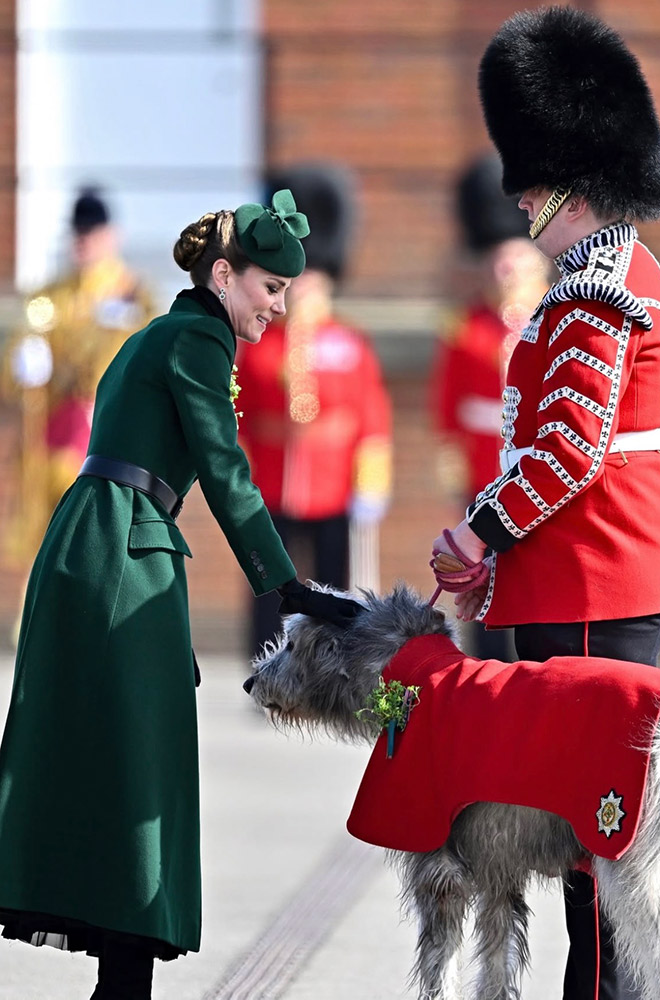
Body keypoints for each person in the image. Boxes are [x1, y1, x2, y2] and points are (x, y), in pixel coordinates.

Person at [0, 189, 362, 1000]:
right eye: (269, 289)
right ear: (225, 276)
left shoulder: (161, 331)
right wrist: (289, 587)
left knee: (110, 755)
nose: (276, 308)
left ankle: (119, 975)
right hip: (123, 548)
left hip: (105, 539)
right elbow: (226, 470)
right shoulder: (199, 340)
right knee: (139, 759)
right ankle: (124, 975)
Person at [430, 9, 660, 1000]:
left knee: (595, 817)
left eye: (532, 184)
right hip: (591, 566)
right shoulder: (599, 273)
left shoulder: (598, 287)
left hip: (593, 571)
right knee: (591, 812)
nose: (522, 200)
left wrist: (476, 532)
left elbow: (566, 454)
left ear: (564, 185)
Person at [235, 164, 392, 658]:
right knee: (270, 584)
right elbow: (240, 411)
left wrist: (370, 482)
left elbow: (371, 418)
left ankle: (328, 668)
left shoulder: (349, 342)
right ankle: (266, 662)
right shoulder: (259, 343)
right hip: (273, 478)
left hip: (333, 484)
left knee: (331, 586)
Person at [430, 153, 550, 659]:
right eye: (499, 261)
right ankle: (488, 662)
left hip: (540, 464)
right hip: (483, 463)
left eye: (516, 261)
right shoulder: (467, 328)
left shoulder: (553, 318)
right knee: (480, 566)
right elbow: (448, 400)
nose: (505, 271)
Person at [1, 188, 157, 570]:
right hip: (57, 438)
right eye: (78, 234)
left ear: (111, 237)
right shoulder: (50, 296)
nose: (83, 242)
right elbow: (18, 366)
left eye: (91, 234)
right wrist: (22, 364)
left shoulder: (134, 295)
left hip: (114, 434)